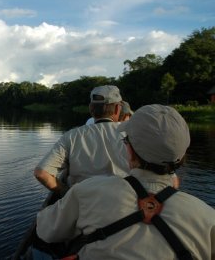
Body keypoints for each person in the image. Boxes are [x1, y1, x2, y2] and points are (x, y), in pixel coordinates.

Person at [36, 104, 215, 259]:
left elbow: (45, 231)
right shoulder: (208, 217)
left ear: (129, 151)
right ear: (182, 156)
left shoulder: (87, 191)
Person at [34, 85, 130, 195]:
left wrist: (67, 194)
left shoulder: (71, 135)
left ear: (91, 108)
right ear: (118, 108)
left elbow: (41, 173)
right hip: (123, 202)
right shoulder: (132, 133)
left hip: (82, 203)